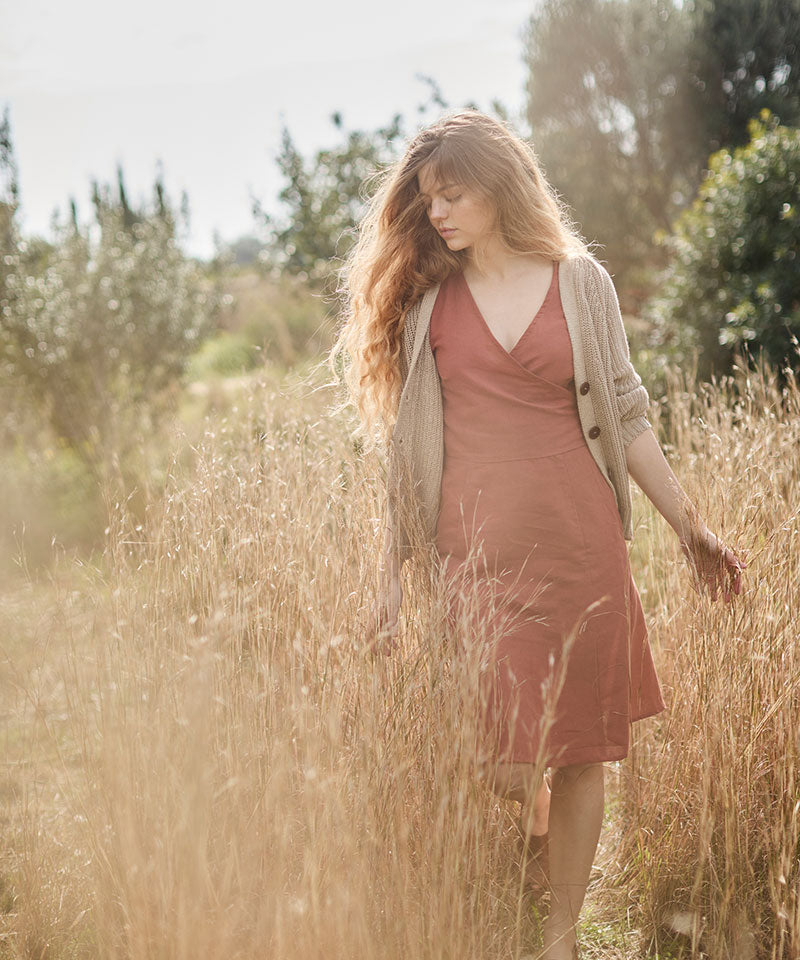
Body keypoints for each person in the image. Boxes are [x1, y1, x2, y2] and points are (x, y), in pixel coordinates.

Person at [331, 110, 747, 960]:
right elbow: (403, 460)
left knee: (583, 751)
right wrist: (391, 579)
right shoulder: (427, 305)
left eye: (453, 194)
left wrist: (690, 528)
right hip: (473, 556)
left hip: (578, 545)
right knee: (504, 760)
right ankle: (529, 833)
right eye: (427, 198)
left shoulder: (580, 282)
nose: (437, 212)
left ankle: (559, 938)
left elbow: (627, 414)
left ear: (501, 188)